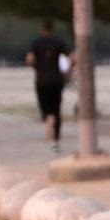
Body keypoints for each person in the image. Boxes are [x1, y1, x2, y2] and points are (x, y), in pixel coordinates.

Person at [26, 19, 73, 153]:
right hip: (56, 79)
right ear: (53, 29)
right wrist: (67, 71)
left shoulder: (36, 43)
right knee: (57, 108)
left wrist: (36, 67)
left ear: (42, 29)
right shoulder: (59, 42)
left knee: (45, 106)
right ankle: (55, 140)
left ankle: (48, 118)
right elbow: (72, 58)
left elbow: (29, 59)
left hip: (41, 80)